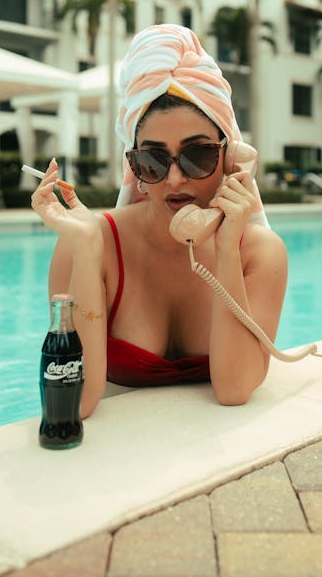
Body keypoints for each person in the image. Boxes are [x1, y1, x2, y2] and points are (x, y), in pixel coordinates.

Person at [31, 24, 287, 416]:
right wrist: (84, 253)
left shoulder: (259, 253)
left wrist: (227, 250)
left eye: (197, 155)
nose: (174, 179)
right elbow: (76, 404)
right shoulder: (89, 242)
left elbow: (235, 388)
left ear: (232, 159)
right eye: (152, 160)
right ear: (133, 165)